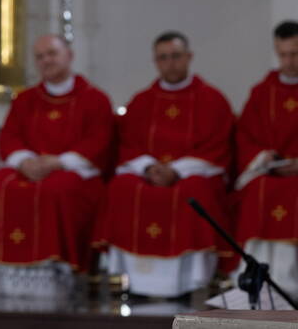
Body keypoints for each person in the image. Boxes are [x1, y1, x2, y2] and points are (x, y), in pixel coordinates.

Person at [0, 34, 114, 298]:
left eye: (52, 53)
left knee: (56, 190)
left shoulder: (95, 99)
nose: (46, 60)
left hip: (74, 172)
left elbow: (99, 140)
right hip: (30, 167)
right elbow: (9, 136)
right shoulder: (25, 99)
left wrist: (58, 162)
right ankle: (2, 277)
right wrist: (25, 161)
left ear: (69, 55)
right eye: (40, 56)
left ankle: (60, 275)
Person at [96, 31, 235, 298]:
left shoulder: (212, 100)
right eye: (163, 58)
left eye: (175, 56)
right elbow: (127, 145)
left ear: (189, 57)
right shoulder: (142, 101)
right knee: (123, 187)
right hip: (149, 173)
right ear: (155, 61)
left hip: (192, 174)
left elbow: (217, 148)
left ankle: (192, 281)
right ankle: (131, 281)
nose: (170, 63)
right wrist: (149, 168)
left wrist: (177, 171)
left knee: (196, 190)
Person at [232, 20, 298, 297]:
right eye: (282, 54)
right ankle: (258, 276)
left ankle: (292, 278)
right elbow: (245, 136)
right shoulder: (262, 92)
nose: (288, 61)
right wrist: (264, 157)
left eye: (295, 53)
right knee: (260, 189)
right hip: (269, 174)